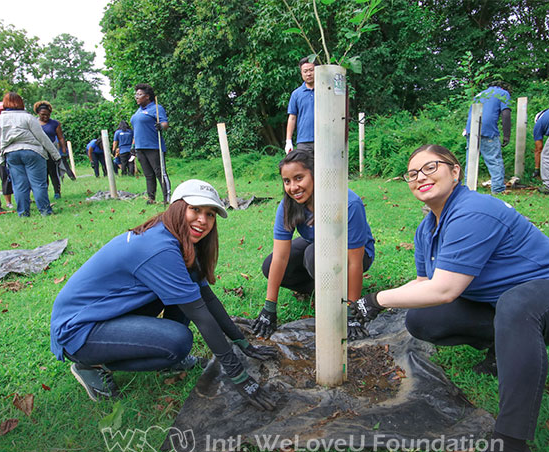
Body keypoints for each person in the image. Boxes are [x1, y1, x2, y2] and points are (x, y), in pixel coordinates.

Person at [351, 144, 549, 452]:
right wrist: (368, 305)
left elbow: (445, 290)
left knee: (516, 303)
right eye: (412, 174)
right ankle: (505, 350)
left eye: (430, 168)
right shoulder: (428, 228)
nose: (420, 177)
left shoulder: (474, 210)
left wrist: (376, 300)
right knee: (422, 319)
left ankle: (512, 451)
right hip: (509, 307)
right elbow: (425, 282)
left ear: (455, 171)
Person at [50, 179, 277, 409]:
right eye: (195, 209)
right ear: (178, 208)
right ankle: (91, 365)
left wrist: (242, 342)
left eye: (210, 214)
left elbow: (206, 298)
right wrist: (238, 375)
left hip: (107, 313)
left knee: (186, 295)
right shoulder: (160, 248)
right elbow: (200, 314)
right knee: (178, 342)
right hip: (78, 329)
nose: (203, 220)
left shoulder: (175, 237)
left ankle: (165, 358)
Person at [253, 149, 375, 340]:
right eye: (287, 181)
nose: (293, 187)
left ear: (316, 175)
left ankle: (340, 293)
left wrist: (352, 311)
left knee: (313, 255)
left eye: (299, 178)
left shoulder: (348, 203)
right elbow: (280, 256)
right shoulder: (287, 206)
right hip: (316, 245)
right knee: (270, 266)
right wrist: (269, 307)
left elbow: (354, 262)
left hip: (356, 254)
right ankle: (325, 289)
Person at [0, 92, 61, 217]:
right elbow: (42, 137)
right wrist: (56, 155)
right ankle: (45, 211)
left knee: (19, 185)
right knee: (38, 184)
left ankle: (23, 213)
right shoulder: (28, 118)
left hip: (11, 153)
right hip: (33, 152)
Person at [464, 82, 511, 194]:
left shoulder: (479, 95)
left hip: (471, 128)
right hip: (488, 129)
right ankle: (498, 189)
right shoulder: (503, 93)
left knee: (471, 160)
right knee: (494, 160)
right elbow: (506, 114)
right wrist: (506, 135)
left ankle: (469, 187)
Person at [131, 83, 169, 204]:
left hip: (154, 146)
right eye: (136, 94)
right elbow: (137, 130)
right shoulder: (138, 111)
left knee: (160, 173)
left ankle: (166, 198)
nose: (136, 97)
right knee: (148, 174)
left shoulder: (156, 108)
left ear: (147, 96)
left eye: (139, 94)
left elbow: (165, 124)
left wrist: (160, 126)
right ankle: (151, 198)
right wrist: (133, 145)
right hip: (140, 147)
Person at [34, 101, 70, 199]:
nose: (45, 117)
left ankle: (57, 192)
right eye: (43, 115)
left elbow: (60, 137)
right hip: (39, 151)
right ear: (38, 113)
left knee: (53, 172)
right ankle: (44, 193)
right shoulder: (33, 123)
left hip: (51, 150)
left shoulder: (55, 123)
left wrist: (63, 149)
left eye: (48, 114)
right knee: (42, 174)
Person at [284, 57, 318, 154]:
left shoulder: (325, 90)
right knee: (303, 169)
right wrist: (288, 141)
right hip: (303, 142)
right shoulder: (296, 94)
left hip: (324, 139)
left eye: (311, 70)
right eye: (305, 71)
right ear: (301, 73)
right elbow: (292, 117)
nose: (309, 74)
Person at [0, 102, 14, 209]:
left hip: (13, 153)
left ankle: (25, 199)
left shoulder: (14, 120)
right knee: (5, 179)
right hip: (1, 156)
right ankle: (8, 202)